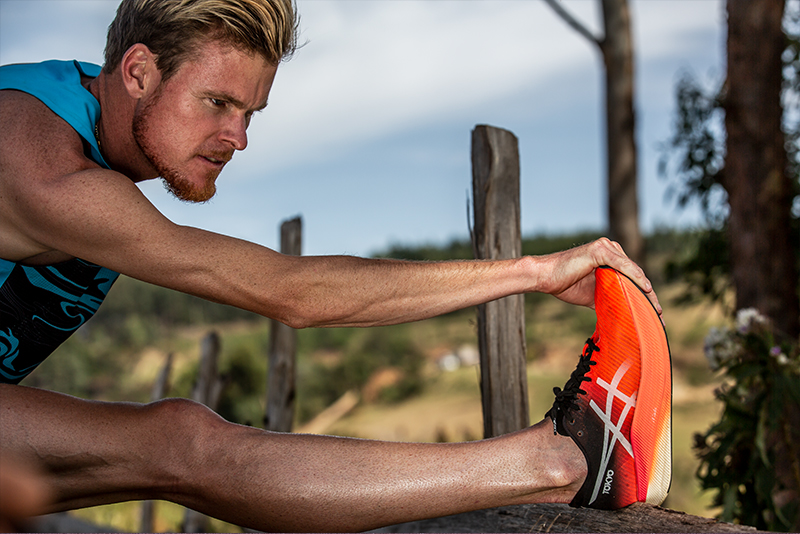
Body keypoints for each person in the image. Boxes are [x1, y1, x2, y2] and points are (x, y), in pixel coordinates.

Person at [0, 0, 671, 531]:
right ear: (139, 70)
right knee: (182, 445)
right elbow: (292, 292)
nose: (238, 138)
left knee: (151, 450)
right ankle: (568, 459)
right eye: (217, 103)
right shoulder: (41, 161)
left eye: (250, 112)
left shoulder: (73, 108)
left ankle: (567, 461)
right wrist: (537, 272)